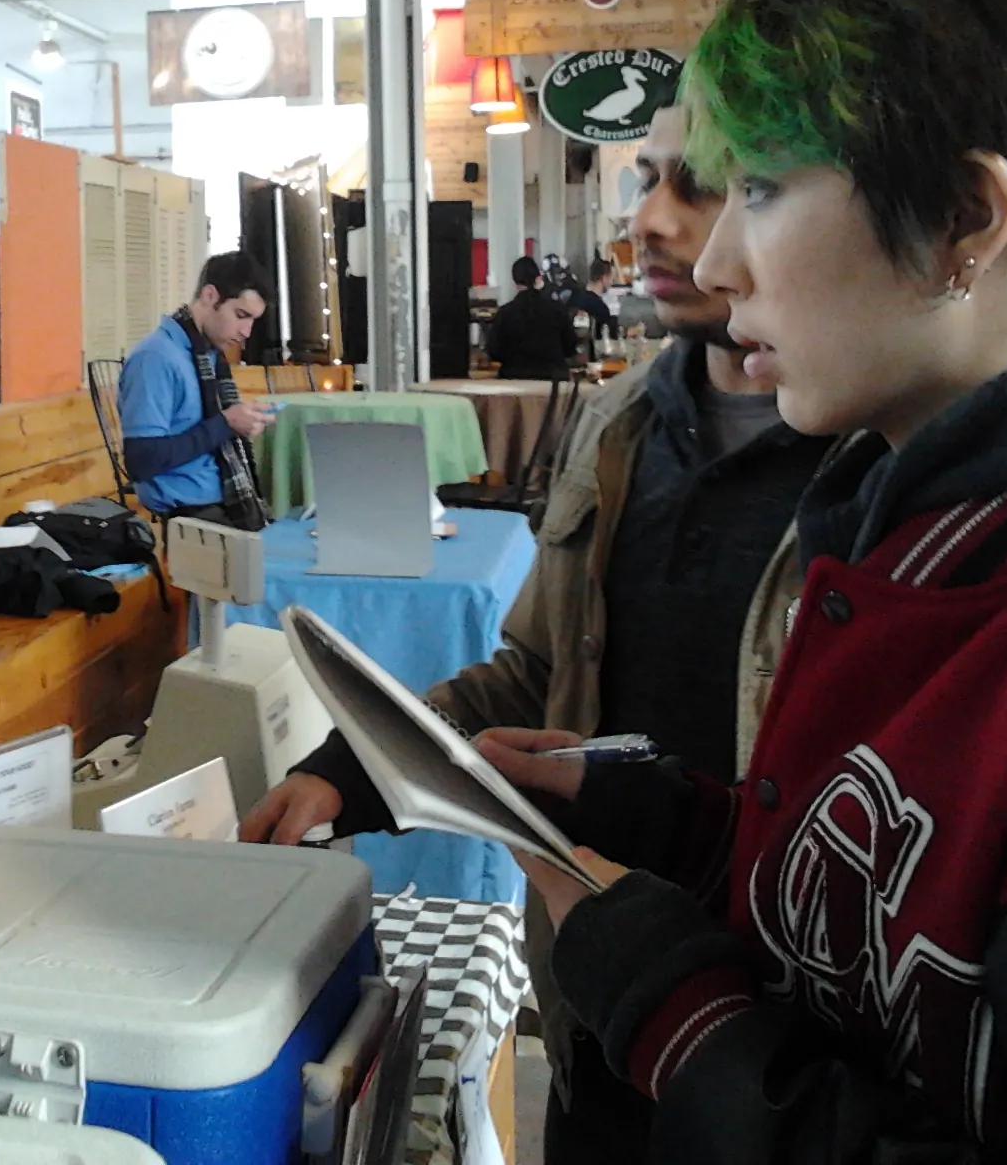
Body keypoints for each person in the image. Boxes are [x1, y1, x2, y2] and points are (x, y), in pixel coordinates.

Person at [488, 0, 1007, 1160]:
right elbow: (898, 921)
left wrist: (677, 1011)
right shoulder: (922, 526)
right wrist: (671, 820)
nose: (718, 258)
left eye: (760, 188)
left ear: (961, 220)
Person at [244, 106, 834, 1162]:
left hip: (794, 1064)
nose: (650, 220)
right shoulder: (618, 425)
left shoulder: (880, 464)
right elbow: (536, 677)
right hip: (596, 1003)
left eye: (705, 184)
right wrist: (352, 770)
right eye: (645, 179)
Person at [118, 250, 277, 529]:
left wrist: (236, 422)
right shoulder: (155, 358)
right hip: (189, 515)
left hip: (224, 503)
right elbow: (141, 460)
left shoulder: (207, 355)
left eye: (253, 320)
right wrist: (226, 424)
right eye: (241, 315)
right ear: (210, 296)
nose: (247, 332)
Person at [485, 254, 579, 380]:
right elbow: (570, 348)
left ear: (515, 281)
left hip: (514, 379)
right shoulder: (557, 309)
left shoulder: (505, 313)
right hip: (553, 380)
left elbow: (494, 352)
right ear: (537, 279)